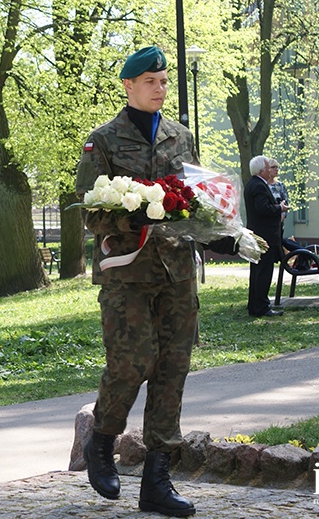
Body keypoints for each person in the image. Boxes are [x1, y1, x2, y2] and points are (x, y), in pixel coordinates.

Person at [74, 46, 202, 517]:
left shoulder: (181, 137)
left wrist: (215, 227)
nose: (160, 88)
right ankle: (101, 441)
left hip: (177, 271)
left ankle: (157, 480)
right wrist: (134, 220)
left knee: (172, 367)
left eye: (165, 81)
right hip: (127, 270)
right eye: (151, 81)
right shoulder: (103, 140)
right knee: (132, 361)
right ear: (128, 85)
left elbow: (197, 196)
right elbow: (89, 210)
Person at [245, 155, 288, 317]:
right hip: (265, 235)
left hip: (259, 233)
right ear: (262, 170)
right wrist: (280, 208)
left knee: (257, 271)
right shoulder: (259, 186)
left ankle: (254, 306)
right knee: (263, 272)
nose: (271, 170)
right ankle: (262, 307)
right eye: (269, 167)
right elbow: (263, 209)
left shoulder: (253, 184)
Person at [267, 159, 288, 238]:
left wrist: (281, 219)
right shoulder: (263, 186)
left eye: (277, 167)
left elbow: (285, 202)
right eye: (273, 167)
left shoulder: (280, 185)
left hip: (279, 223)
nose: (276, 169)